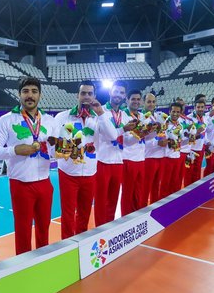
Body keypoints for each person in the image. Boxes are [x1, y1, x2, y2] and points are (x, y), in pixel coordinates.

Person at [0, 77, 56, 255]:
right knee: (23, 230)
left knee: (44, 227)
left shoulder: (50, 120)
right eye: (26, 91)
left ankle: (44, 260)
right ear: (19, 94)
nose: (30, 95)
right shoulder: (7, 120)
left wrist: (62, 149)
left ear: (40, 95)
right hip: (21, 185)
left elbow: (56, 150)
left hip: (44, 182)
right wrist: (14, 150)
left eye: (34, 92)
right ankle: (23, 267)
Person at [53, 80, 111, 239]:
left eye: (90, 93)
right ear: (77, 96)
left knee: (85, 214)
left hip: (90, 173)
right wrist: (66, 148)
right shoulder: (62, 117)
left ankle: (81, 244)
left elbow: (112, 136)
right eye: (83, 93)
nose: (86, 96)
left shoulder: (100, 118)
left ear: (94, 96)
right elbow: (54, 144)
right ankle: (66, 246)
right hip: (68, 172)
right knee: (68, 214)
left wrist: (101, 113)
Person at [94, 80, 137, 226]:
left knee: (112, 201)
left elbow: (127, 142)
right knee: (101, 202)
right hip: (102, 161)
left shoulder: (125, 116)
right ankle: (99, 232)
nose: (118, 95)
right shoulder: (100, 112)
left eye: (122, 92)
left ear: (125, 97)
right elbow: (109, 135)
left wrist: (140, 134)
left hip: (118, 161)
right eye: (116, 91)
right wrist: (123, 129)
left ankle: (109, 229)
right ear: (110, 92)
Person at [121, 90, 148, 215]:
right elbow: (125, 141)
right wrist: (140, 135)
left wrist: (150, 132)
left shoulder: (142, 117)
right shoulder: (123, 116)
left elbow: (146, 138)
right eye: (133, 99)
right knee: (128, 193)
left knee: (139, 191)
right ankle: (125, 219)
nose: (136, 102)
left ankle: (137, 217)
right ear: (127, 100)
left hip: (141, 158)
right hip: (128, 158)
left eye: (138, 99)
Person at [141, 93, 166, 205]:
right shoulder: (142, 118)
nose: (151, 104)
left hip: (160, 156)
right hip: (149, 157)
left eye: (153, 102)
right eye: (149, 102)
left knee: (156, 187)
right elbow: (140, 140)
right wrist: (157, 142)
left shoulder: (158, 116)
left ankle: (155, 210)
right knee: (145, 188)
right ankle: (142, 212)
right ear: (143, 102)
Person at [161, 102, 190, 196]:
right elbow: (161, 141)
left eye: (178, 112)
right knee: (165, 184)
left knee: (176, 183)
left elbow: (181, 141)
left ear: (180, 113)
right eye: (173, 111)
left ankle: (174, 204)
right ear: (169, 111)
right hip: (166, 157)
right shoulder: (164, 124)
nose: (175, 114)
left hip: (177, 157)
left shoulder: (180, 125)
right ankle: (163, 206)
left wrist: (190, 138)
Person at [184, 97, 212, 185]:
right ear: (195, 108)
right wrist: (197, 132)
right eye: (198, 107)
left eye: (202, 107)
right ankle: (187, 192)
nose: (200, 109)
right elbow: (186, 135)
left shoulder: (205, 118)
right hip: (190, 149)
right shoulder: (189, 118)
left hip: (200, 148)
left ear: (205, 108)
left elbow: (204, 134)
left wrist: (207, 142)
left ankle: (196, 190)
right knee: (189, 172)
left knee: (197, 171)